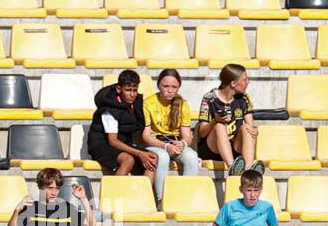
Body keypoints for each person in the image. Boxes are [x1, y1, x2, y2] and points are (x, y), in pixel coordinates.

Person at [141, 68, 201, 202]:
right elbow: (146, 136)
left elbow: (187, 135)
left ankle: (186, 199)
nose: (170, 90)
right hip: (156, 143)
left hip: (175, 142)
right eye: (165, 86)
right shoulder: (148, 103)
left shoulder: (182, 104)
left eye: (174, 87)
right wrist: (166, 146)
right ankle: (162, 199)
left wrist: (183, 143)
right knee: (161, 157)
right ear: (158, 86)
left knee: (191, 156)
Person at [86, 70, 155, 177]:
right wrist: (140, 153)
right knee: (128, 160)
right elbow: (112, 141)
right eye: (128, 90)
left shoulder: (136, 103)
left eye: (135, 90)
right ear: (119, 89)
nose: (132, 94)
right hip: (101, 145)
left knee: (152, 158)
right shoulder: (109, 108)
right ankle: (114, 192)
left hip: (123, 142)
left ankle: (144, 192)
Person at [197, 63, 262, 176]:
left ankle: (247, 170)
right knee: (219, 126)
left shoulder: (243, 98)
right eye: (245, 79)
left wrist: (255, 131)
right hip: (212, 148)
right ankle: (232, 167)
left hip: (234, 147)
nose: (248, 82)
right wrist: (215, 121)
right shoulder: (209, 98)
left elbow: (251, 126)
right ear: (233, 83)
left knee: (247, 128)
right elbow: (202, 132)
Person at [6, 168, 95, 226]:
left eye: (57, 188)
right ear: (41, 187)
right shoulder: (31, 208)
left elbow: (91, 224)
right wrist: (17, 210)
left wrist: (84, 198)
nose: (54, 192)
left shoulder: (67, 208)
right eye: (50, 188)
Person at [209, 170, 279, 226]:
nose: (253, 195)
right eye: (249, 190)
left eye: (256, 190)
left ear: (261, 190)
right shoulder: (229, 206)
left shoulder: (267, 207)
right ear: (241, 189)